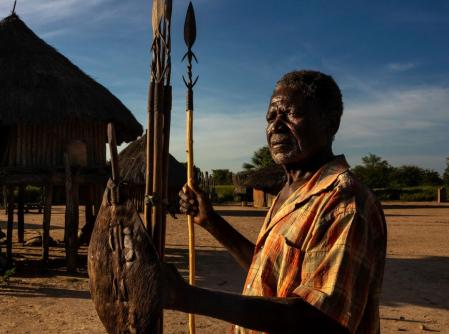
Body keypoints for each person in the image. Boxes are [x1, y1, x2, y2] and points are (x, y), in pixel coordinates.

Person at [163, 70, 387, 334]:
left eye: (291, 114)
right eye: (271, 116)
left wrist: (186, 297)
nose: (276, 125)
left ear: (330, 123)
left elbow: (320, 320)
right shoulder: (289, 192)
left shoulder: (344, 202)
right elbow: (271, 273)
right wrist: (211, 222)